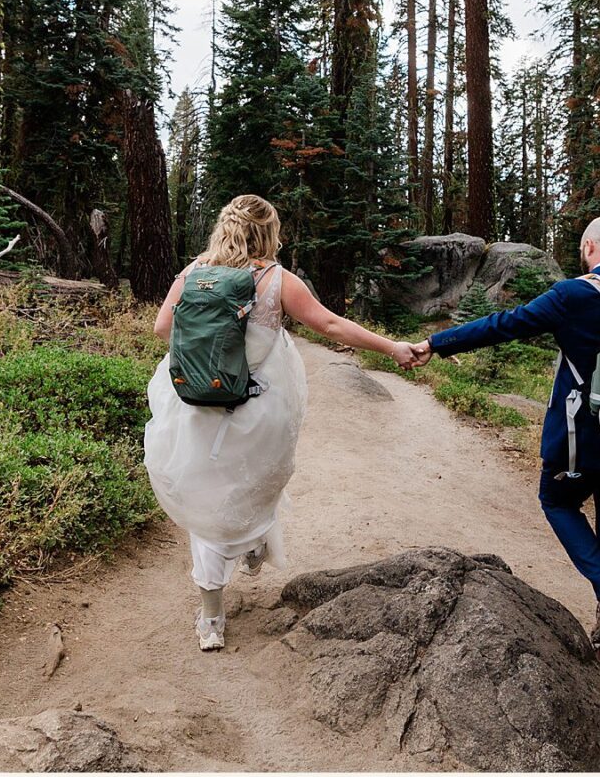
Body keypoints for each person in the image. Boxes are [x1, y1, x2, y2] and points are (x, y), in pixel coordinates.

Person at [147, 195, 419, 652]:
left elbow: (161, 329)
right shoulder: (276, 279)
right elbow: (330, 325)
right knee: (259, 481)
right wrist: (392, 347)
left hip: (196, 405)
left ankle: (211, 618)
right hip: (258, 412)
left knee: (207, 501)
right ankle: (253, 545)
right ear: (268, 234)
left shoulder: (193, 273)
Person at [408, 216, 600, 695]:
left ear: (589, 247)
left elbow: (506, 325)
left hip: (581, 438)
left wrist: (434, 344)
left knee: (557, 501)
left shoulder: (575, 294)